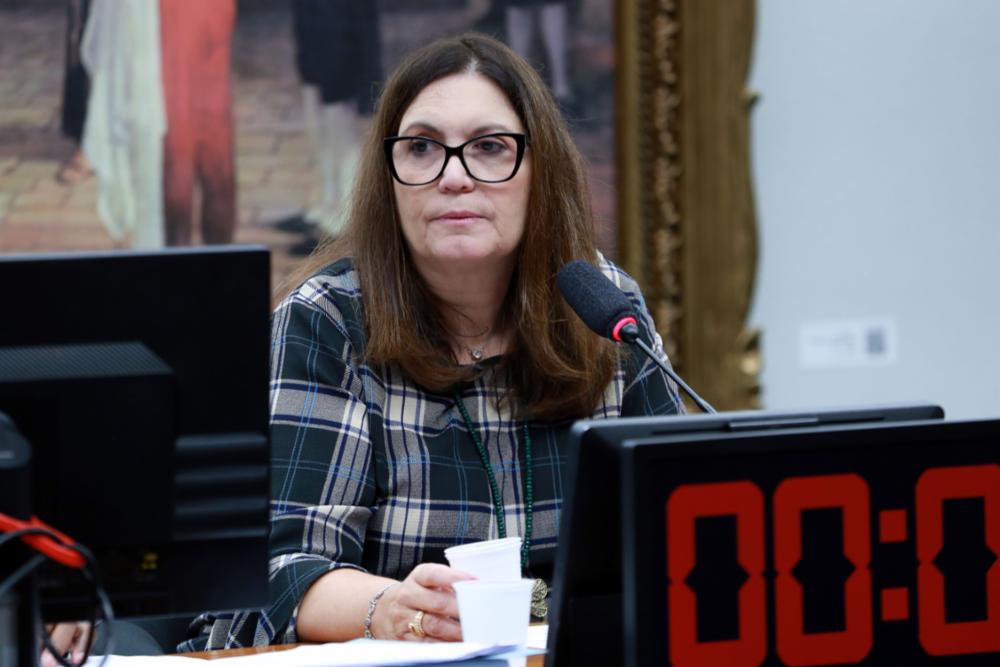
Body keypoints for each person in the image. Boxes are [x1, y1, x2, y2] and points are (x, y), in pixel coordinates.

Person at [182, 32, 683, 650]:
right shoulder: (327, 321)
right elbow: (278, 573)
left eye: (490, 147)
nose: (454, 176)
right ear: (389, 178)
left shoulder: (601, 307)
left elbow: (679, 535)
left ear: (541, 170)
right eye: (421, 148)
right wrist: (389, 607)